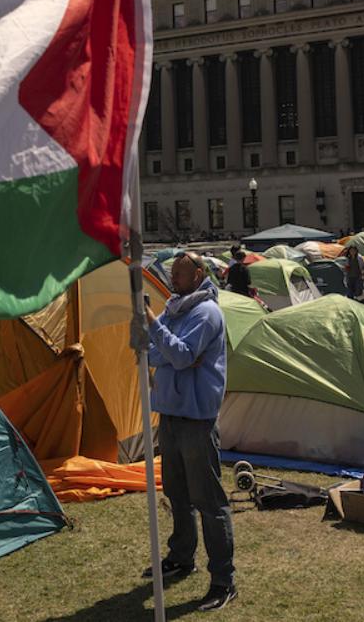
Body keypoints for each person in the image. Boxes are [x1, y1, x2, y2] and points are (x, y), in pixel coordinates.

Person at [143, 253, 236, 611]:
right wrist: (174, 352)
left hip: (196, 418)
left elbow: (178, 355)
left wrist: (155, 326)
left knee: (209, 501)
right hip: (170, 414)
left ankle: (223, 580)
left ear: (198, 274)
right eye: (172, 274)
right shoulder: (176, 309)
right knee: (177, 493)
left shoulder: (205, 313)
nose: (173, 280)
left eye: (179, 274)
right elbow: (153, 355)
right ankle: (182, 556)